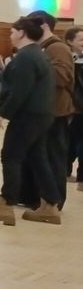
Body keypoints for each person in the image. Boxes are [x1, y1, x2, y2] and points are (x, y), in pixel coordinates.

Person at [0, 16, 60, 226]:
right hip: (41, 114)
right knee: (38, 158)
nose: (10, 35)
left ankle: (6, 205)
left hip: (27, 116)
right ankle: (50, 205)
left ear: (22, 32)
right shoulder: (37, 54)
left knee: (10, 156)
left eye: (12, 31)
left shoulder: (26, 57)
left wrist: (3, 114)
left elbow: (21, 90)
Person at [28, 10, 74, 209]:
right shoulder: (42, 48)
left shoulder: (57, 48)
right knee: (40, 156)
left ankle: (53, 201)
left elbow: (62, 76)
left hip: (55, 112)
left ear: (44, 26)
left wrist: (33, 68)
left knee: (53, 157)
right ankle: (39, 198)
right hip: (43, 111)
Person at [65, 27, 83, 186]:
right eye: (81, 39)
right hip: (72, 108)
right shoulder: (67, 59)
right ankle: (65, 172)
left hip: (79, 107)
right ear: (70, 41)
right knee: (70, 141)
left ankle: (81, 178)